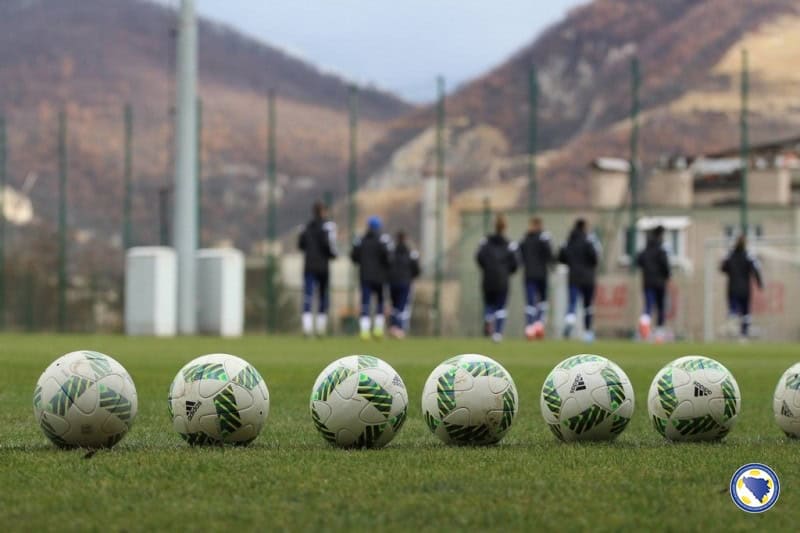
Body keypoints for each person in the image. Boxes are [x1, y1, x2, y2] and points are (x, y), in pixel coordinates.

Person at [476, 214, 518, 343]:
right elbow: (515, 263)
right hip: (502, 279)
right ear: (505, 227)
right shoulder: (510, 244)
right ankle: (498, 334)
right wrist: (506, 271)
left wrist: (487, 267)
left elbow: (479, 257)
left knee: (489, 304)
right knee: (501, 307)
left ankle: (488, 318)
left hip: (488, 278)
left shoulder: (485, 242)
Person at [297, 201, 337, 337]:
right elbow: (329, 245)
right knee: (322, 296)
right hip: (322, 266)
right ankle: (320, 328)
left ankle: (307, 327)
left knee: (308, 296)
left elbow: (301, 245)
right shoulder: (327, 227)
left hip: (309, 265)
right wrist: (333, 255)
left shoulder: (306, 227)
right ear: (323, 212)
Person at [558, 218, 601, 342]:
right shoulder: (589, 241)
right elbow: (594, 258)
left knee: (572, 302)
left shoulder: (569, 241)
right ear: (584, 227)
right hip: (588, 278)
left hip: (573, 277)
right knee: (588, 305)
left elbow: (561, 258)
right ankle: (588, 332)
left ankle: (570, 319)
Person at [351, 216, 392, 340]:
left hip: (365, 276)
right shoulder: (383, 240)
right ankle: (378, 329)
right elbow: (389, 258)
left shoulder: (361, 240)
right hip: (380, 277)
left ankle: (364, 331)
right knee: (380, 302)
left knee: (365, 302)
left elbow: (354, 257)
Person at [721, 235, 763, 340]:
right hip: (745, 288)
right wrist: (759, 283)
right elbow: (755, 270)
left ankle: (732, 318)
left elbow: (723, 268)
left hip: (732, 287)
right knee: (745, 311)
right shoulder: (749, 256)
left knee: (733, 307)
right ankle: (743, 334)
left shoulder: (730, 255)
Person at [518, 216, 554, 340]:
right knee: (542, 300)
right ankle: (538, 325)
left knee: (530, 301)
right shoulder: (544, 238)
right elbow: (549, 255)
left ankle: (530, 327)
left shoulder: (525, 239)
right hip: (541, 274)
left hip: (528, 274)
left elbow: (520, 256)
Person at [636, 225, 671, 342]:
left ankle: (644, 329)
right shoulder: (661, 249)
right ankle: (659, 333)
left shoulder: (646, 249)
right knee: (661, 307)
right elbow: (665, 265)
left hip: (648, 281)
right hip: (660, 282)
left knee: (648, 306)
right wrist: (667, 275)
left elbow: (639, 261)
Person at [387, 230, 421, 339]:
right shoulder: (411, 253)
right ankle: (400, 328)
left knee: (394, 305)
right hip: (405, 282)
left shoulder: (391, 253)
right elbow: (416, 270)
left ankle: (393, 326)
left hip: (392, 282)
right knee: (403, 306)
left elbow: (386, 266)